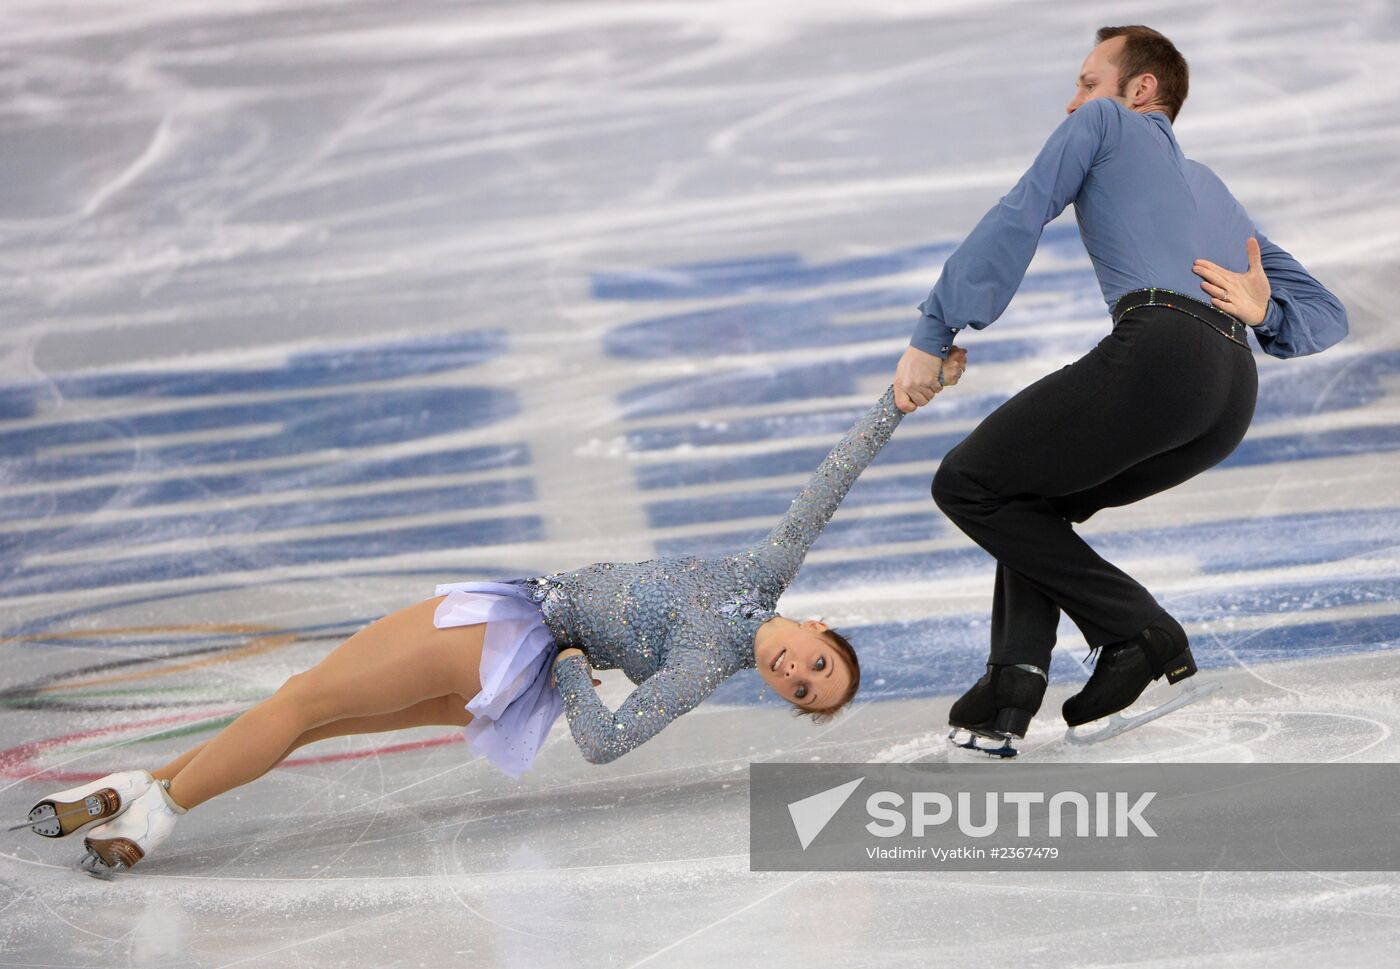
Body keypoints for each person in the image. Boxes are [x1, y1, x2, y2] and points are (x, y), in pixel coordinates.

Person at [24, 383, 928, 877]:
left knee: (301, 699)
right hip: (504, 685)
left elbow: (607, 743)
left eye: (803, 690)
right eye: (815, 660)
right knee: (314, 720)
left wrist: (573, 660)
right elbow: (834, 477)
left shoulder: (702, 664)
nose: (796, 672)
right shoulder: (763, 572)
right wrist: (900, 399)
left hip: (510, 632)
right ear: (812, 625)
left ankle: (156, 821)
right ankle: (134, 790)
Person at [891, 25, 1348, 752]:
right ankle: (1009, 688)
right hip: (1229, 396)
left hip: (1161, 356)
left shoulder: (1106, 126)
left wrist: (934, 330)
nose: (1074, 103)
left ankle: (1142, 634)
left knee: (968, 482)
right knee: (1031, 500)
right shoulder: (1210, 187)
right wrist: (1268, 314)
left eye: (1087, 82)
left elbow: (1022, 210)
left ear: (1139, 91)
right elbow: (1327, 315)